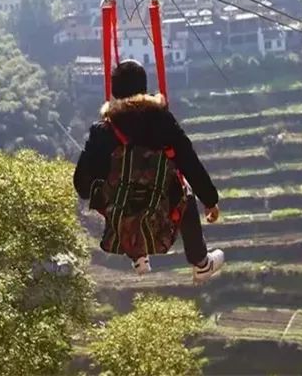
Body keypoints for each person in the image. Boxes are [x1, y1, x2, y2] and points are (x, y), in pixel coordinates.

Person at [73, 59, 225, 283]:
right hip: (161, 208)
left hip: (121, 215)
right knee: (186, 192)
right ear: (144, 88)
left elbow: (82, 186)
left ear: (115, 91)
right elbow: (188, 161)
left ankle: (137, 252)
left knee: (115, 194)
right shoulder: (162, 121)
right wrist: (210, 200)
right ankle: (200, 262)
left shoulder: (102, 131)